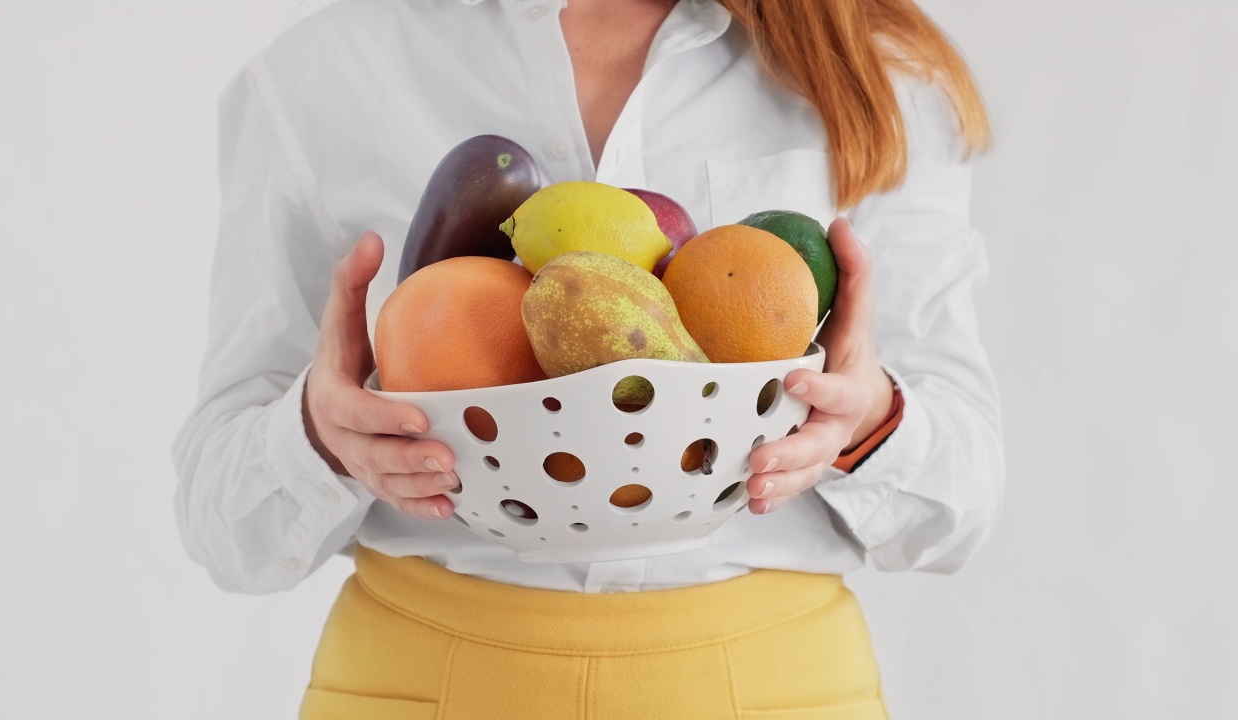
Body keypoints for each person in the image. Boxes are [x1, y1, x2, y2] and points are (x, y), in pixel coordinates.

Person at [171, 0, 1005, 716]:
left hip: (770, 690)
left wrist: (871, 420)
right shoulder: (323, 75)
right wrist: (319, 432)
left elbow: (965, 503)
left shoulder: (875, 71)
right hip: (421, 684)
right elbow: (222, 525)